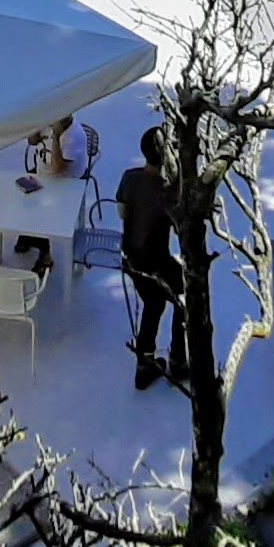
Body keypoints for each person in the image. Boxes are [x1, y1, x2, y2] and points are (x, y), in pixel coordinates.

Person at [114, 126, 188, 391]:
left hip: (131, 257)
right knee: (183, 297)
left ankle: (145, 363)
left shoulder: (129, 178)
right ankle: (178, 360)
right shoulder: (168, 191)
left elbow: (122, 212)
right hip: (156, 260)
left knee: (153, 304)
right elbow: (181, 228)